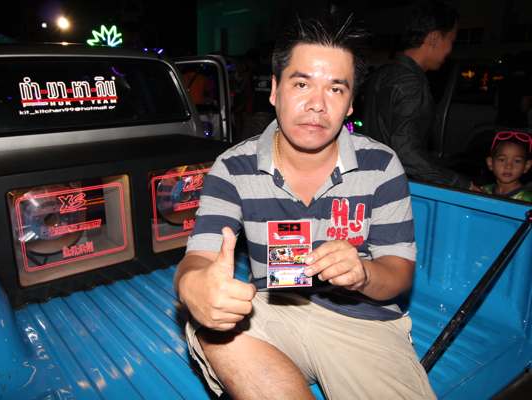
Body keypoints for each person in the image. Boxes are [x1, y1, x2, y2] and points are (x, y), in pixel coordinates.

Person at [174, 13, 435, 400]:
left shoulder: (381, 165)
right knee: (207, 323)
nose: (317, 105)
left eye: (336, 89)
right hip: (271, 310)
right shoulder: (233, 167)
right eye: (301, 84)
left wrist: (362, 273)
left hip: (365, 321)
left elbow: (399, 272)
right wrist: (193, 286)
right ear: (275, 90)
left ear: (350, 104)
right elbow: (198, 258)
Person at [363, 0, 476, 190]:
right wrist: (459, 183)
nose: (450, 50)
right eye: (451, 41)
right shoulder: (410, 82)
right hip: (391, 187)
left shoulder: (384, 73)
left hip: (371, 179)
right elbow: (406, 152)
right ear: (434, 38)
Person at [482, 130, 532, 202]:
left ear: (526, 166)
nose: (508, 166)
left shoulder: (528, 200)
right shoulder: (482, 191)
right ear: (490, 163)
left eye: (517, 161)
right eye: (502, 160)